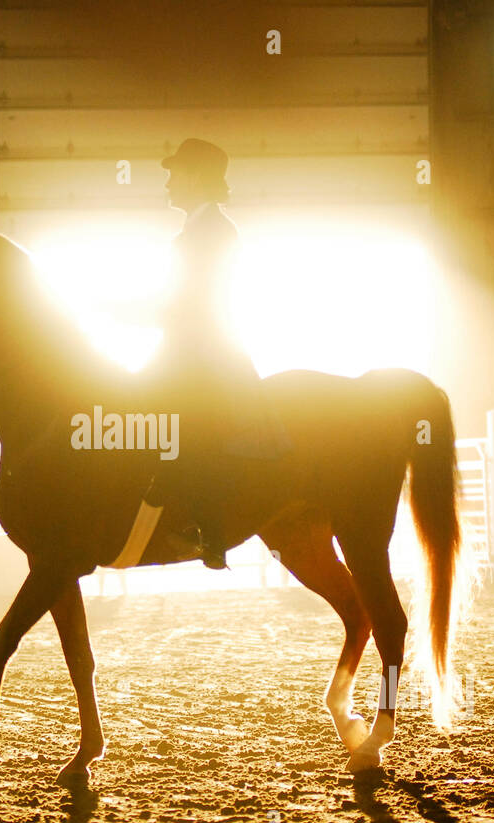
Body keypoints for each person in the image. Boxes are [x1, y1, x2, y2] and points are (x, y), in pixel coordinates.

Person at [145, 138, 284, 570]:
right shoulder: (194, 230)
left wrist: (148, 311)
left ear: (195, 178)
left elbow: (200, 300)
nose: (167, 182)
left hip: (207, 358)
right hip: (184, 352)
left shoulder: (215, 231)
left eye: (174, 174)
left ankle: (209, 531)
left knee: (187, 425)